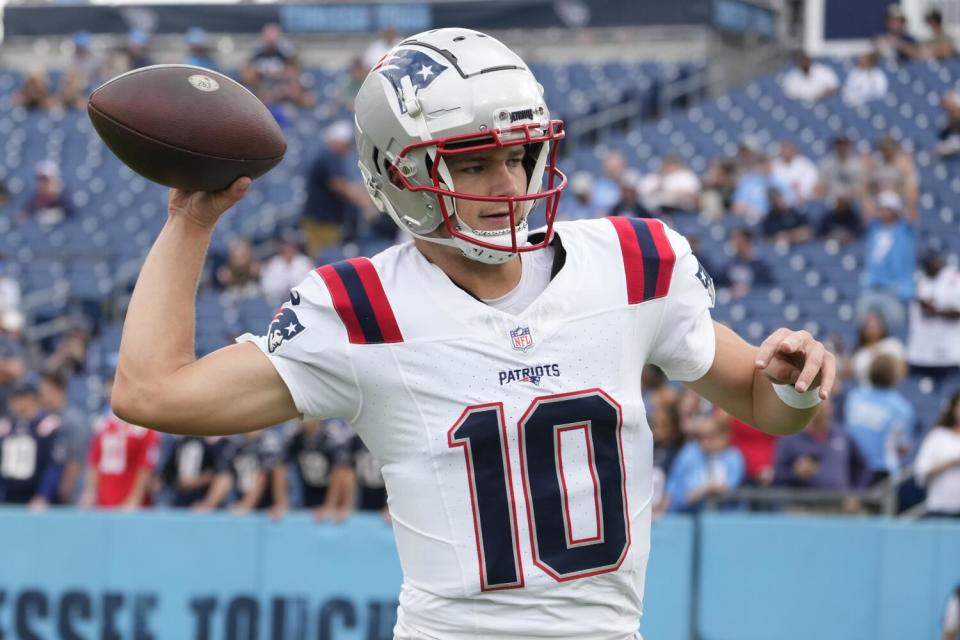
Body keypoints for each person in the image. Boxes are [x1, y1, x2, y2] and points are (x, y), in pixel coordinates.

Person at [111, 28, 836, 639]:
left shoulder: (632, 263)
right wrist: (190, 221)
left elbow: (764, 405)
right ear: (398, 172)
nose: (509, 182)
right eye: (474, 162)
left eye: (519, 154)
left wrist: (794, 380)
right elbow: (153, 392)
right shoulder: (361, 309)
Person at [79, 375, 159, 509]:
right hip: (104, 502)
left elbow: (145, 466)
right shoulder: (103, 424)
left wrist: (135, 499)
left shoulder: (143, 428)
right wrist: (90, 492)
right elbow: (94, 461)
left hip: (129, 504)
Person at [300, 121, 373, 257]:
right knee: (324, 257)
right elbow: (337, 185)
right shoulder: (328, 156)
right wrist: (363, 201)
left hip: (326, 219)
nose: (347, 148)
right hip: (321, 221)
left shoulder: (329, 156)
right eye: (345, 144)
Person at [772, 398, 871, 496]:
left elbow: (863, 466)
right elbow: (778, 475)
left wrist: (856, 494)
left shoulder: (842, 434)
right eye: (821, 408)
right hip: (802, 506)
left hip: (838, 505)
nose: (826, 411)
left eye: (827, 406)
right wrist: (795, 473)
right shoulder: (791, 438)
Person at [844, 353, 914, 484]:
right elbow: (903, 447)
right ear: (895, 376)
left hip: (853, 466)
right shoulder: (902, 408)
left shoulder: (854, 397)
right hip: (882, 470)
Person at [272, 417, 355, 520]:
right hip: (309, 494)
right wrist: (281, 503)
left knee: (345, 469)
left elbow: (340, 471)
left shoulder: (330, 436)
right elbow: (280, 465)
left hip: (333, 494)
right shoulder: (295, 436)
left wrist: (330, 505)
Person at [857, 190, 917, 332]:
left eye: (886, 208)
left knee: (895, 330)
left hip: (895, 289)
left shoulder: (905, 229)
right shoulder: (875, 228)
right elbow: (866, 206)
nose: (882, 212)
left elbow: (912, 208)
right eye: (881, 208)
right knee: (864, 328)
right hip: (872, 286)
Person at [665, 412, 746, 512]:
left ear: (725, 435)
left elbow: (730, 487)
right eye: (701, 436)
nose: (704, 442)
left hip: (725, 518)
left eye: (710, 436)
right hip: (685, 514)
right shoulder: (689, 453)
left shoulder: (734, 457)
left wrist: (703, 491)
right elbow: (672, 487)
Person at [906, 238, 960, 385]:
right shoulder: (918, 278)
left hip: (947, 354)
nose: (930, 263)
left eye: (933, 259)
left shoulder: (954, 279)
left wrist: (937, 312)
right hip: (918, 353)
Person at [38, 371, 90, 504]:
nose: (41, 397)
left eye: (45, 392)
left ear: (58, 390)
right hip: (53, 487)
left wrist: (67, 485)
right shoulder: (47, 418)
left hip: (72, 490)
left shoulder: (73, 420)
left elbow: (76, 457)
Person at [914, 390, 960, 518]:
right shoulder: (937, 436)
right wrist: (950, 463)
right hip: (940, 509)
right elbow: (922, 471)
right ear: (953, 409)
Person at [155, 435, 228, 508]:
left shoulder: (213, 445)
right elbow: (168, 473)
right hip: (178, 499)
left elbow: (222, 474)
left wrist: (198, 481)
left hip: (202, 498)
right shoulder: (180, 443)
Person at [716, 227, 776, 298]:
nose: (735, 244)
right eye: (733, 240)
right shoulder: (729, 265)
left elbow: (767, 285)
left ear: (748, 242)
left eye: (739, 241)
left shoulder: (760, 265)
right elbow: (719, 283)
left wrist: (749, 288)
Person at [260, 230, 315, 307]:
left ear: (296, 246)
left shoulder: (305, 262)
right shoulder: (273, 263)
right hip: (277, 304)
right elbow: (266, 287)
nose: (288, 248)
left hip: (302, 303)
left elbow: (311, 285)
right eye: (285, 245)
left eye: (290, 245)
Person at [21, 160, 72, 226]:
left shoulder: (65, 198)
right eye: (39, 180)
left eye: (46, 180)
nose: (42, 183)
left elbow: (71, 215)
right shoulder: (36, 198)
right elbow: (25, 215)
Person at [770, 141, 818, 205]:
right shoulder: (775, 164)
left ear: (793, 151)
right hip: (784, 203)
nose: (786, 153)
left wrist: (802, 194)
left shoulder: (804, 163)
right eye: (784, 151)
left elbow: (813, 181)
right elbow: (773, 183)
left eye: (788, 150)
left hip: (806, 199)